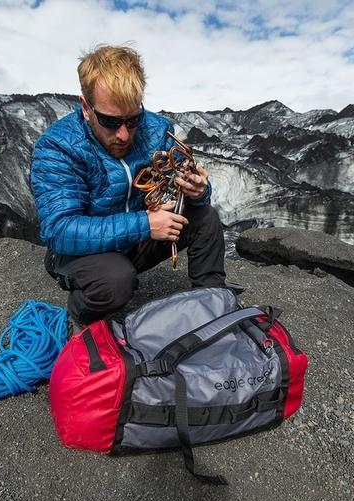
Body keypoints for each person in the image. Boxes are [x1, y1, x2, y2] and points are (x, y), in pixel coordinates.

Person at [30, 44, 227, 331]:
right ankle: (84, 314)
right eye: (110, 121)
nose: (123, 134)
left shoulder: (157, 130)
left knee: (205, 217)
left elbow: (185, 186)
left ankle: (213, 306)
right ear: (86, 107)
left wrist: (198, 191)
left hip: (140, 239)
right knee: (114, 280)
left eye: (133, 119)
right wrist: (145, 224)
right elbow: (59, 230)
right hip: (82, 253)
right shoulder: (58, 147)